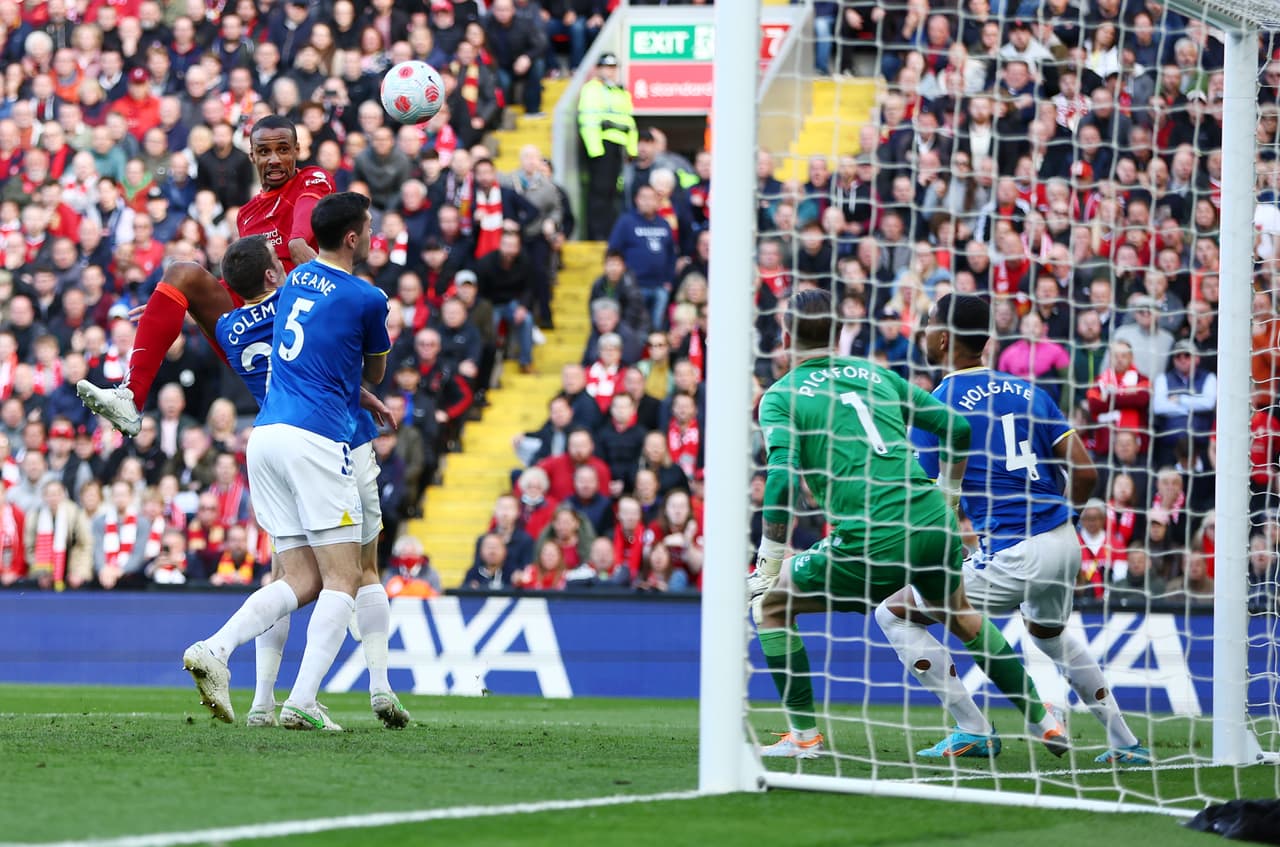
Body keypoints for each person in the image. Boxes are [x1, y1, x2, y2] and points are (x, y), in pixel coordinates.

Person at [750, 289, 1063, 760]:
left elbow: (779, 485)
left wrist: (768, 561)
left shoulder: (781, 396)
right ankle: (1043, 721)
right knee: (961, 616)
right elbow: (956, 428)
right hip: (932, 520)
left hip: (872, 534)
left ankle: (804, 736)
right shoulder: (878, 375)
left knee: (771, 605)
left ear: (787, 336)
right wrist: (947, 495)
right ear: (838, 333)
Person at [181, 192, 391, 732]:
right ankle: (301, 699)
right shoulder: (365, 297)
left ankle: (217, 648)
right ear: (353, 237)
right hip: (318, 439)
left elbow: (297, 266)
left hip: (265, 434)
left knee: (296, 576)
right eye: (367, 227)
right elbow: (376, 369)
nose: (371, 235)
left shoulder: (294, 283)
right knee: (343, 577)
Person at [911, 294, 1150, 765]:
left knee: (895, 614)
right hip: (1062, 540)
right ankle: (1125, 743)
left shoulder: (935, 406)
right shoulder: (1030, 392)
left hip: (1013, 548)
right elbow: (1085, 475)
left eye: (929, 325)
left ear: (943, 337)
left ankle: (972, 728)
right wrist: (1070, 523)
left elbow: (930, 499)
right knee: (1049, 634)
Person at [76, 116, 335, 436]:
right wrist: (174, 301)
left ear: (297, 150)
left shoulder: (313, 179)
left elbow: (306, 214)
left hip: (303, 319)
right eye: (264, 151)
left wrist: (297, 241)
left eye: (283, 149)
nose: (274, 159)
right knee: (180, 274)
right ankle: (130, 399)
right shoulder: (247, 215)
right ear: (252, 155)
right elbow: (245, 284)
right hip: (261, 324)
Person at [577, 52, 636, 240]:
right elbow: (588, 119)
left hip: (619, 148)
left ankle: (610, 233)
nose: (610, 72)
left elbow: (629, 122)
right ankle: (597, 234)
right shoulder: (592, 89)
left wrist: (632, 149)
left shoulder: (622, 92)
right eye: (606, 67)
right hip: (602, 146)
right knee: (599, 192)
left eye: (613, 68)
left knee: (614, 193)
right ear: (599, 69)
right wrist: (595, 150)